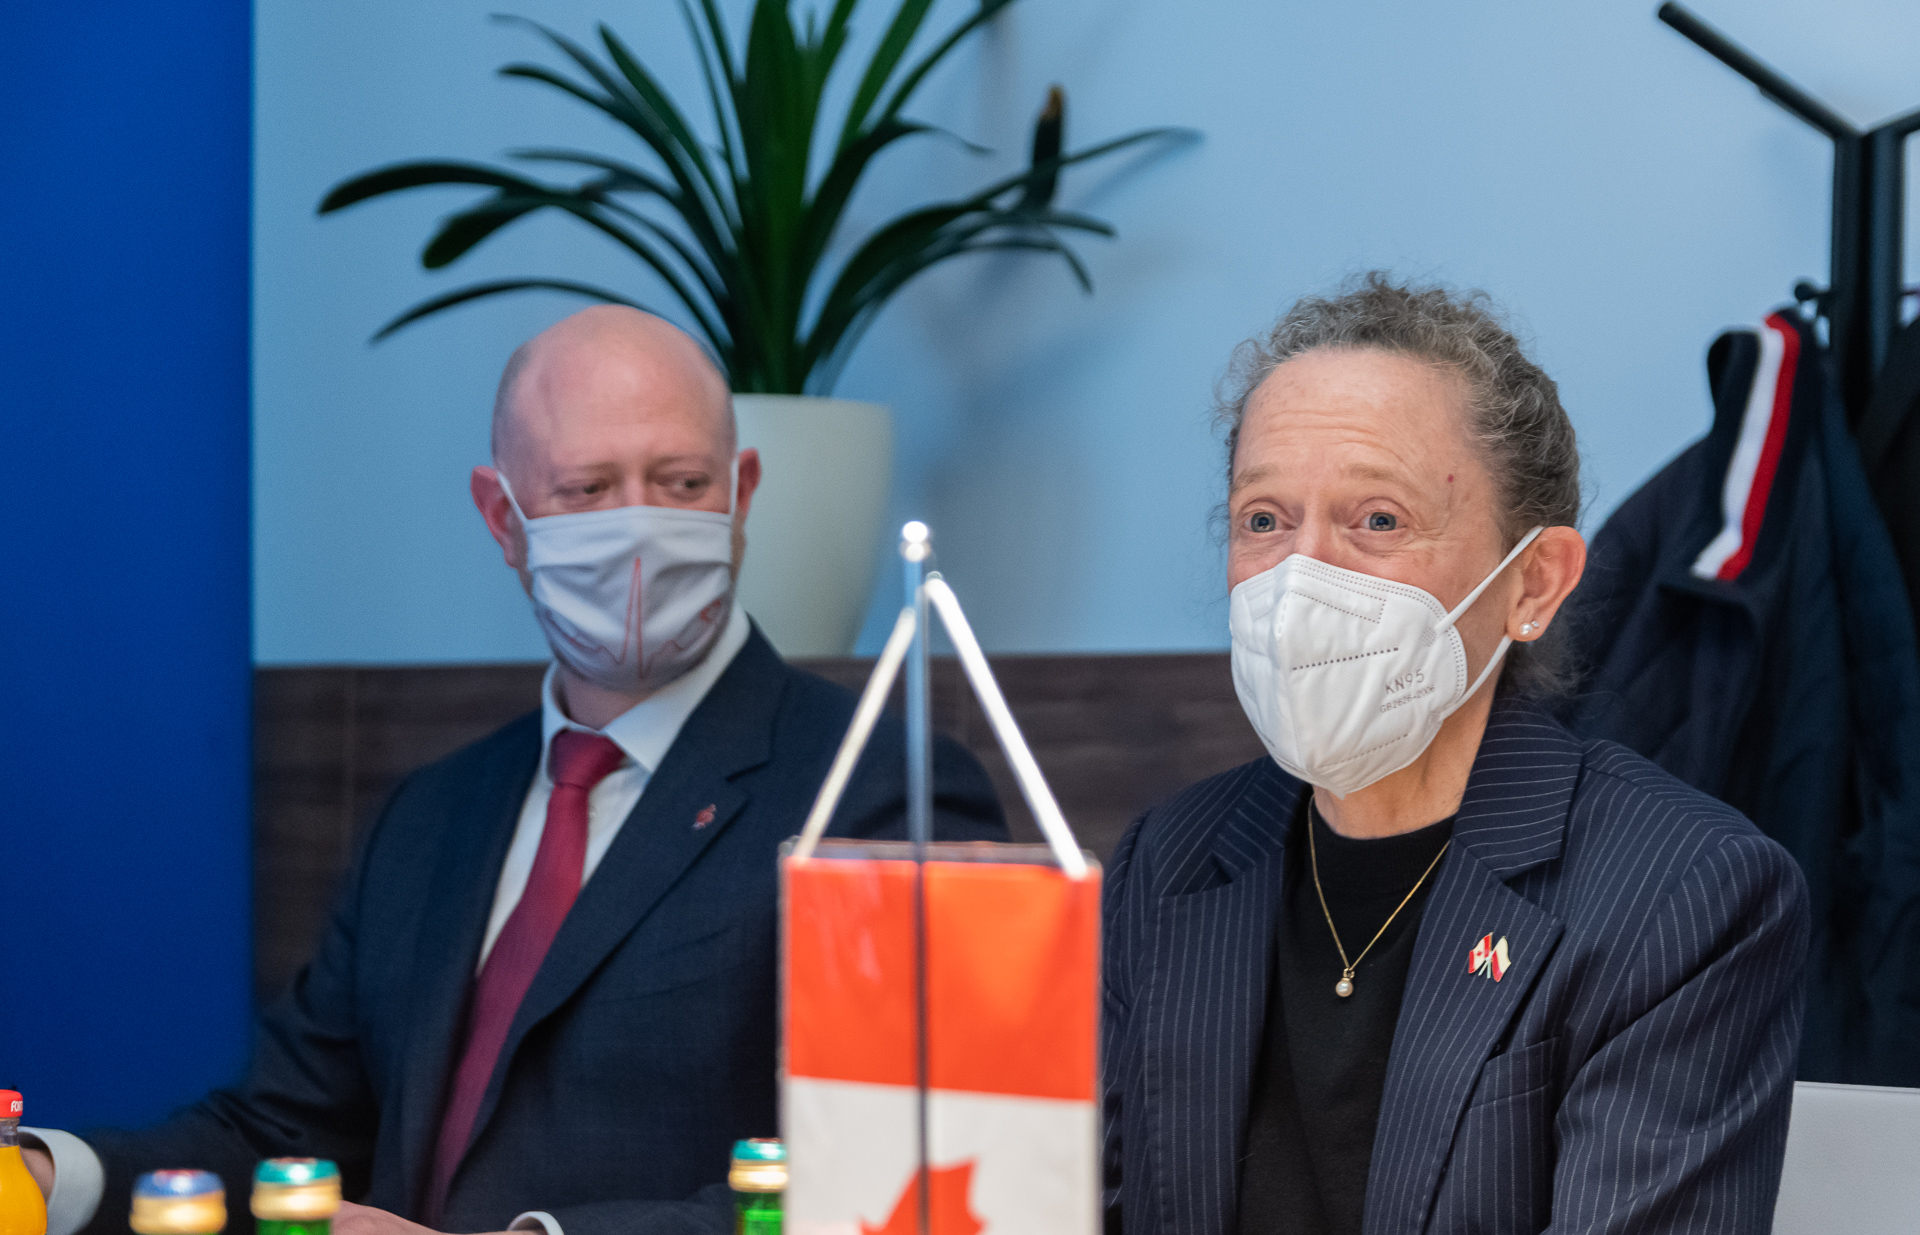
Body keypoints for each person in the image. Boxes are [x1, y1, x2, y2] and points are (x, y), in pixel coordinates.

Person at [24, 306, 1006, 1235]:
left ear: (742, 492)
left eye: (681, 482)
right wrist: (37, 1176)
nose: (640, 526)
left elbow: (902, 1174)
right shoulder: (429, 817)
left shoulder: (883, 791)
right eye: (587, 489)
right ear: (502, 517)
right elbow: (283, 1138)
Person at [1099, 276, 1809, 1235]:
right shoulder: (1168, 861)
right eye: (1264, 519)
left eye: (1378, 520)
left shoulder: (1686, 894)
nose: (1301, 579)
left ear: (1533, 583)